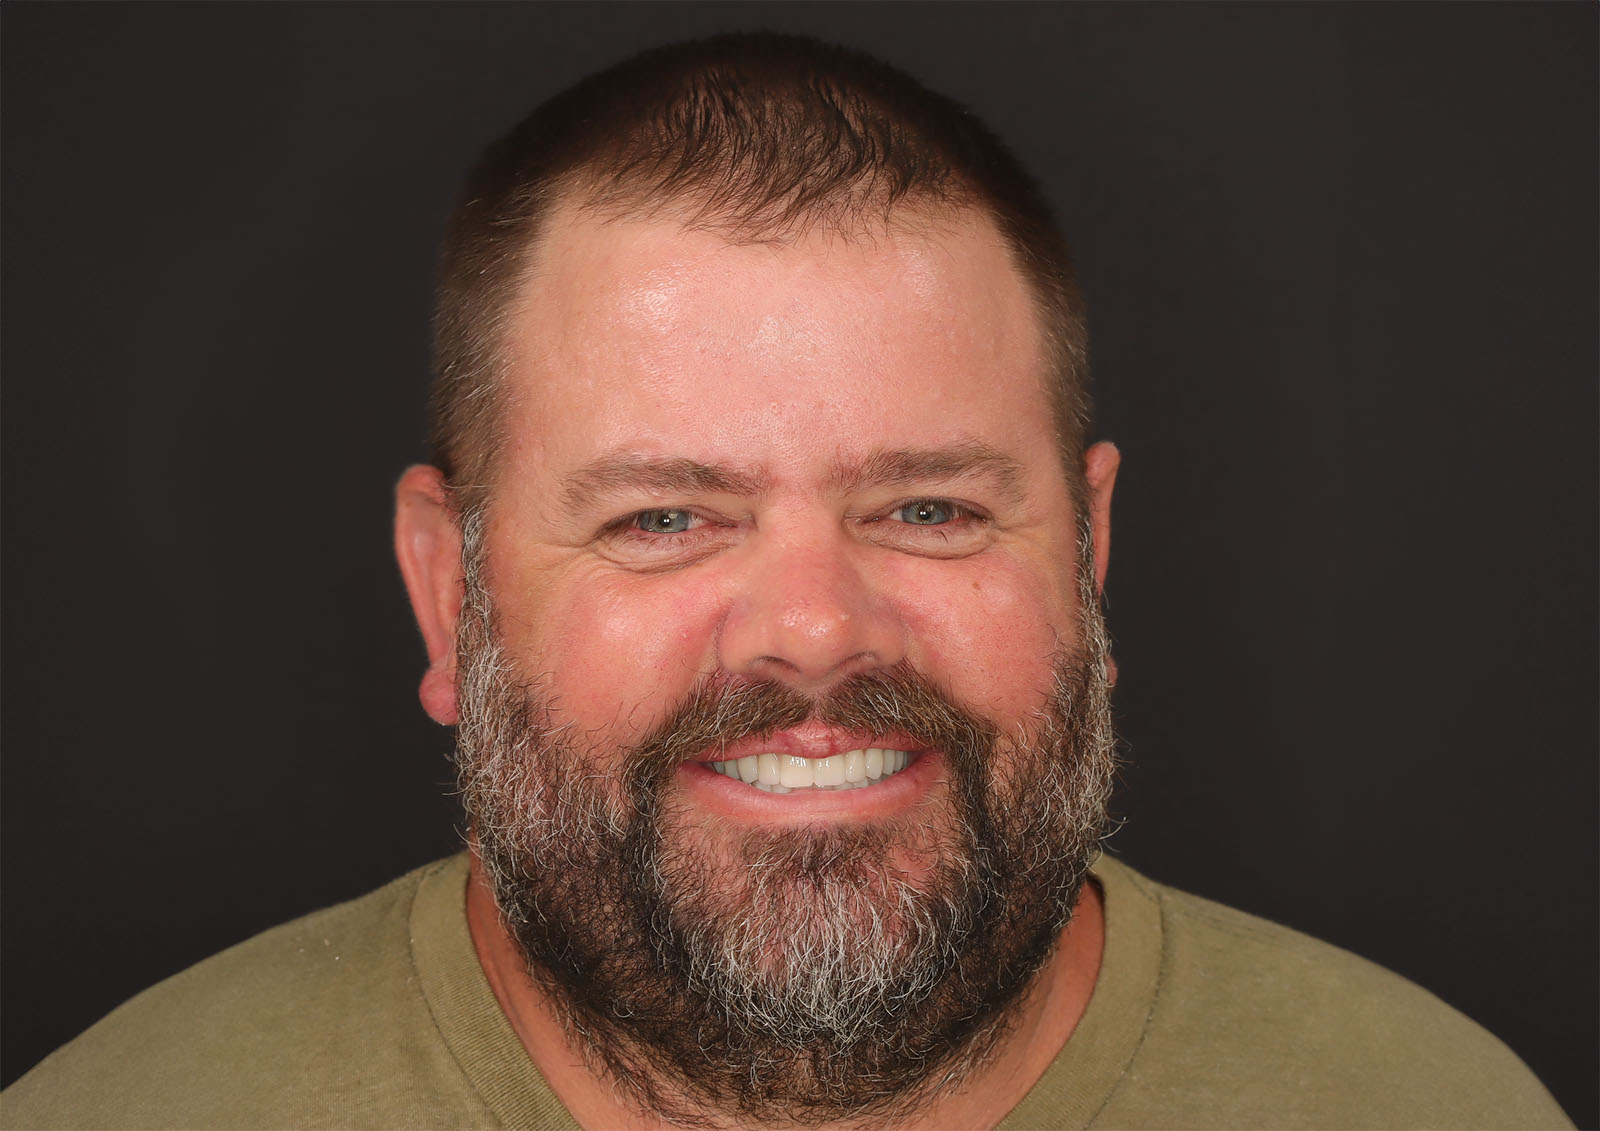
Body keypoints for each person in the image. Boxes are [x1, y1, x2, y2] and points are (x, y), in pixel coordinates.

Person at [0, 32, 1570, 1131]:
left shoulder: (1434, 1108)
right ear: (446, 592)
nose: (816, 627)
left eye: (931, 508)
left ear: (1087, 556)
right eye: (664, 519)